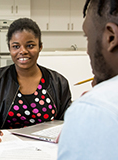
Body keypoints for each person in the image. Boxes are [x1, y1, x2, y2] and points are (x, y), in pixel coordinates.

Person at [0, 18, 72, 143]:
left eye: (30, 46)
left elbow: (68, 119)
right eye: (16, 46)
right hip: (4, 147)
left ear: (40, 47)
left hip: (47, 149)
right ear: (9, 48)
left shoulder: (58, 82)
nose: (23, 51)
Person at [58, 0, 118, 159]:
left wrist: (87, 112)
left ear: (111, 37)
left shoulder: (94, 108)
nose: (87, 50)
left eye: (87, 37)